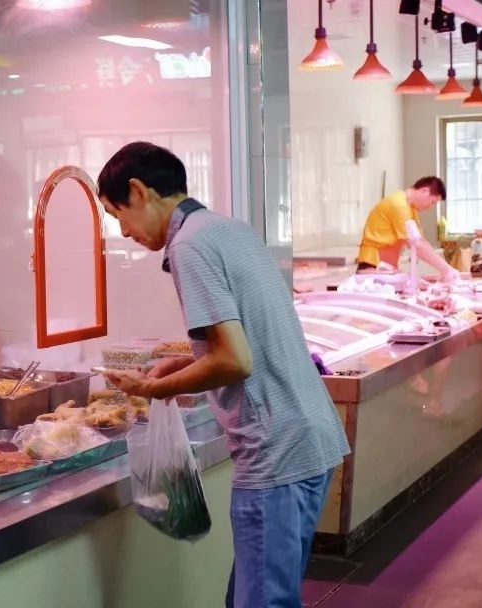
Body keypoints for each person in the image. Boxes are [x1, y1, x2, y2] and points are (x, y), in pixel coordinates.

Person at [95, 142, 350, 608]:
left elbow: (235, 362)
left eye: (117, 215)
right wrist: (186, 363)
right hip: (310, 437)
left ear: (138, 191)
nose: (124, 231)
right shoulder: (226, 229)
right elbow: (244, 343)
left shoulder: (188, 246)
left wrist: (154, 388)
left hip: (276, 451)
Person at [357, 176, 458, 282]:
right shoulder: (399, 205)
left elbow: (421, 241)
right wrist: (447, 270)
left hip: (386, 267)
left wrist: (447, 269)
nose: (430, 206)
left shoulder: (411, 208)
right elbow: (416, 245)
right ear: (425, 191)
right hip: (372, 264)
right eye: (433, 202)